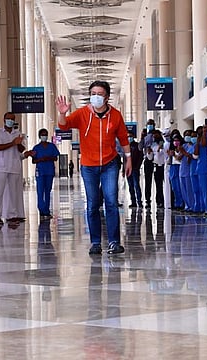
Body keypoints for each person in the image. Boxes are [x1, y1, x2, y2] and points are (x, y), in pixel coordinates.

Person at [55, 80, 132, 255]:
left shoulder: (116, 115)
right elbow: (64, 125)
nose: (96, 97)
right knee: (92, 205)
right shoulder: (82, 113)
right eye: (93, 93)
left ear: (107, 97)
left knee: (111, 202)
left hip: (110, 164)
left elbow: (124, 139)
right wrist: (62, 114)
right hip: (88, 166)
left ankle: (114, 242)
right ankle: (95, 242)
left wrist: (128, 159)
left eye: (100, 94)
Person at [0, 112, 27, 226]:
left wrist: (19, 142)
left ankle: (11, 215)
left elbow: (21, 149)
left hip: (14, 166)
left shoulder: (18, 133)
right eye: (8, 119)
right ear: (4, 119)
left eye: (12, 119)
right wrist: (12, 143)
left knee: (13, 193)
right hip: (1, 167)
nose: (10, 121)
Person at [29, 128, 60, 219]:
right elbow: (33, 161)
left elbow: (55, 158)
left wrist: (48, 158)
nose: (44, 136)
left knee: (48, 191)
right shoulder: (36, 148)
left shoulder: (52, 146)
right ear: (39, 136)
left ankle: (46, 210)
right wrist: (41, 159)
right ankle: (41, 209)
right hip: (40, 171)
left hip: (49, 171)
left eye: (45, 134)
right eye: (42, 134)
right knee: (40, 191)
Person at [139, 119, 156, 208]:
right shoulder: (145, 136)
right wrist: (142, 137)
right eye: (148, 124)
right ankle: (147, 200)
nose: (150, 125)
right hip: (147, 160)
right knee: (148, 181)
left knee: (159, 182)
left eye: (151, 124)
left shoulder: (157, 134)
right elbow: (140, 147)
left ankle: (160, 200)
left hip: (157, 160)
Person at [126, 130, 143, 208]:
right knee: (130, 186)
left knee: (136, 185)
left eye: (130, 136)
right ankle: (133, 202)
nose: (129, 138)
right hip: (128, 170)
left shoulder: (137, 145)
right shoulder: (126, 146)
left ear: (133, 137)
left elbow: (140, 157)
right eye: (128, 136)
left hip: (135, 168)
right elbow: (124, 158)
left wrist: (138, 166)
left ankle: (139, 201)